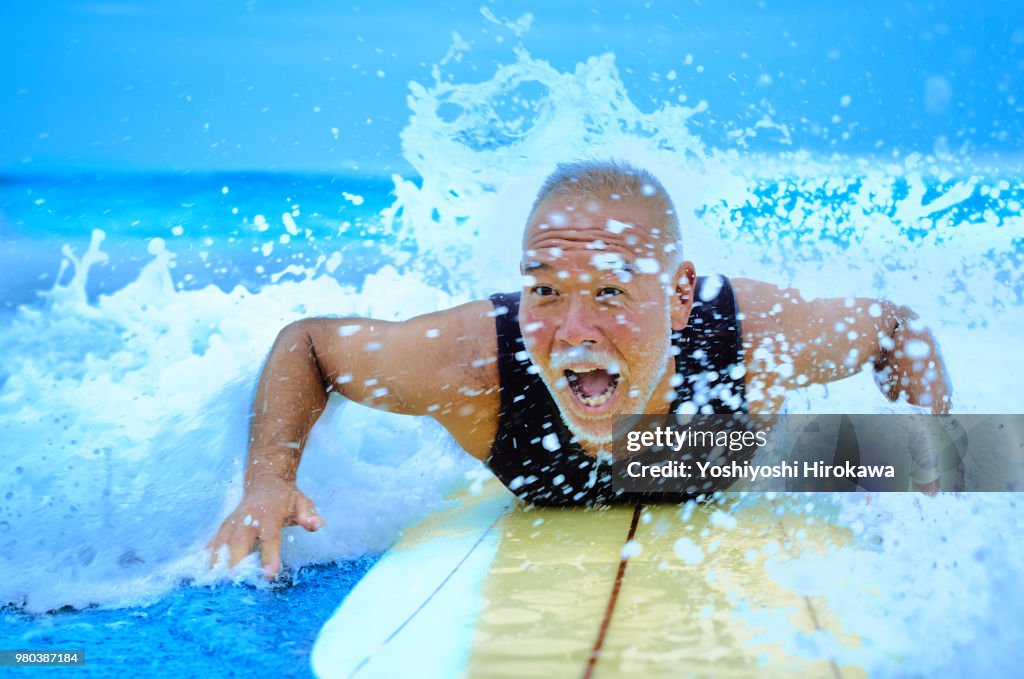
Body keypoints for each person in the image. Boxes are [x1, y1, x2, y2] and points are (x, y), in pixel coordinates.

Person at [208, 160, 951, 578]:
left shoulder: (753, 343)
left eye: (609, 292)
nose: (571, 331)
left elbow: (896, 330)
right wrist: (268, 478)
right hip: (572, 457)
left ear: (679, 294)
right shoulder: (477, 367)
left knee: (867, 458)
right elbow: (309, 345)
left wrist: (933, 473)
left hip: (731, 453)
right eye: (545, 290)